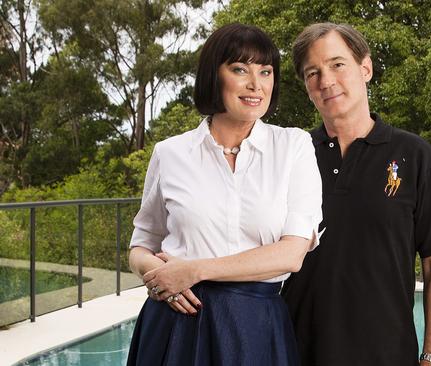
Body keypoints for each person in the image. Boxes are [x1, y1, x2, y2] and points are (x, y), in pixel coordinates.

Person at [126, 23, 322, 366]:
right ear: (213, 76)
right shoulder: (170, 153)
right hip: (175, 322)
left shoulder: (294, 146)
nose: (255, 84)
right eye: (239, 69)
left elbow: (292, 254)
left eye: (265, 71)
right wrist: (156, 276)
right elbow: (142, 243)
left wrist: (194, 270)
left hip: (255, 326)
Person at [280, 23, 431, 366]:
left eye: (337, 64)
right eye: (312, 72)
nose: (325, 80)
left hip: (387, 354)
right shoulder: (291, 155)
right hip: (293, 352)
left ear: (366, 68)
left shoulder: (415, 155)